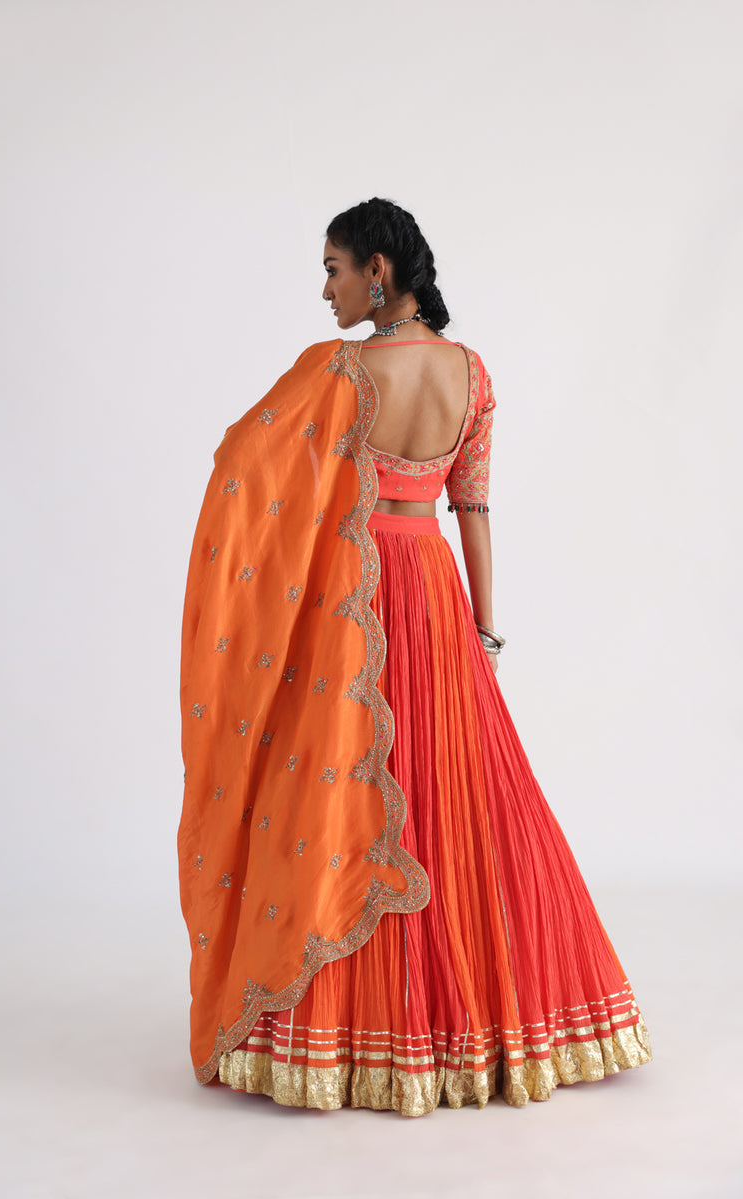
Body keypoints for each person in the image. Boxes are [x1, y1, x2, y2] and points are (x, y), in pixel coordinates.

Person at [177, 197, 652, 1118]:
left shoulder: (343, 372)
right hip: (435, 586)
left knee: (344, 786)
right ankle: (492, 1028)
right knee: (449, 791)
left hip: (360, 597)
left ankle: (344, 1037)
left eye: (334, 269)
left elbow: (245, 465)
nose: (326, 291)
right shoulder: (471, 372)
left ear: (379, 270)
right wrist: (485, 629)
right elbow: (472, 507)